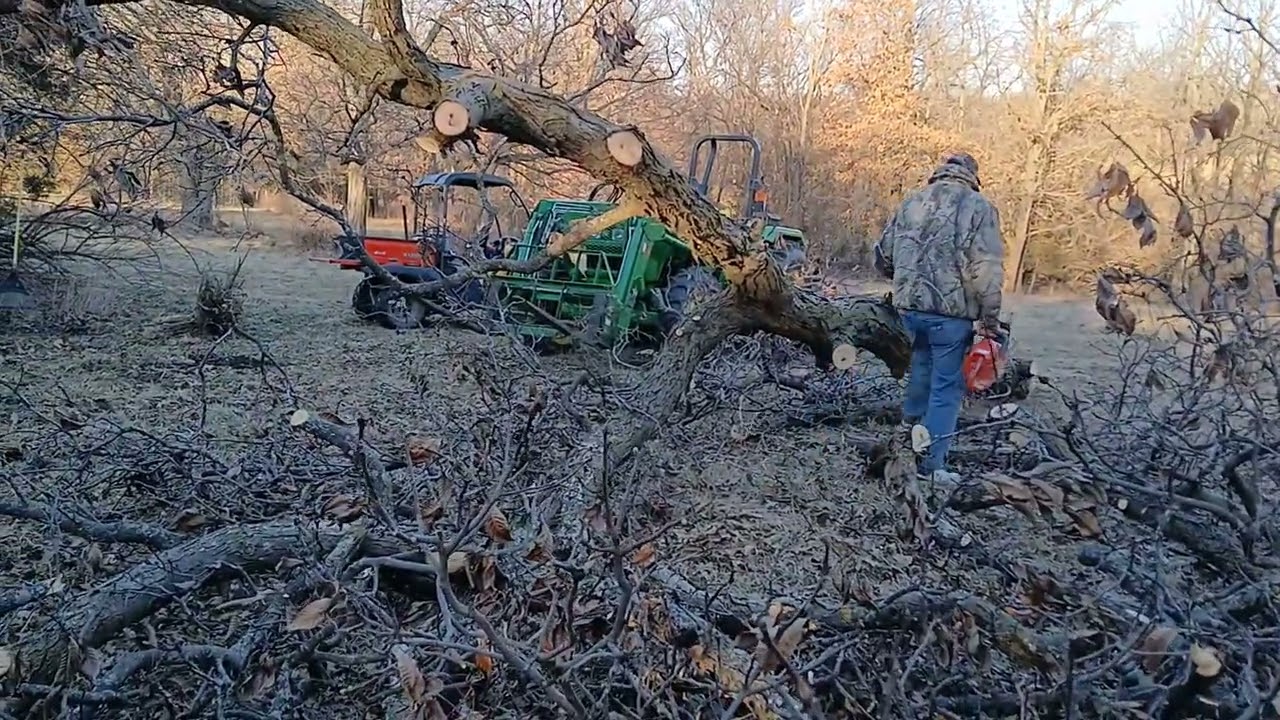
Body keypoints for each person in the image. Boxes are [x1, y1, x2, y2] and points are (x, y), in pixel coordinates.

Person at [872, 152, 1005, 483]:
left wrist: (903, 278)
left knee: (919, 373)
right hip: (950, 316)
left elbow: (883, 254)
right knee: (946, 388)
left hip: (910, 311)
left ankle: (905, 442)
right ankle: (932, 467)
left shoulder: (912, 202)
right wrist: (990, 320)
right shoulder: (978, 207)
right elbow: (985, 270)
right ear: (972, 175)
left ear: (941, 172)